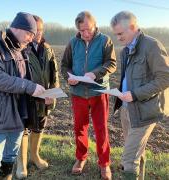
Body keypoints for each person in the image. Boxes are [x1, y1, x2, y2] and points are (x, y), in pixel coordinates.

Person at [110, 11, 169, 179]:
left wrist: (135, 94)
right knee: (137, 151)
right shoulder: (125, 50)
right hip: (127, 109)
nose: (118, 38)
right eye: (116, 34)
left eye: (121, 34)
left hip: (145, 110)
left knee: (128, 159)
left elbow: (165, 78)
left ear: (133, 27)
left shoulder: (152, 46)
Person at [0, 12, 47, 180]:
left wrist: (42, 95)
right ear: (17, 28)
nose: (31, 38)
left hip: (19, 117)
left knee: (9, 160)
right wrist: (30, 87)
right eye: (29, 33)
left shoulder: (21, 50)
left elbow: (24, 80)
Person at [61, 11, 116, 180]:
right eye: (81, 30)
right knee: (79, 128)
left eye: (88, 29)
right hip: (78, 94)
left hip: (98, 92)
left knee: (101, 129)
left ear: (95, 24)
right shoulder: (72, 42)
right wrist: (69, 77)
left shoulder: (105, 40)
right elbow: (64, 65)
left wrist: (96, 73)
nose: (85, 34)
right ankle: (80, 158)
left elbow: (112, 63)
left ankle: (104, 163)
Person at [16, 15, 59, 179]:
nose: (39, 34)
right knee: (24, 130)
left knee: (39, 127)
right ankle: (21, 163)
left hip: (45, 99)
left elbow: (54, 74)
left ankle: (35, 156)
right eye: (36, 31)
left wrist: (53, 93)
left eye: (41, 30)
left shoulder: (48, 48)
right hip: (26, 99)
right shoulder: (20, 49)